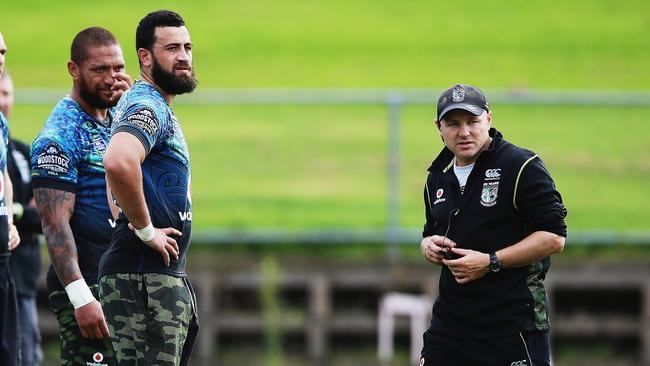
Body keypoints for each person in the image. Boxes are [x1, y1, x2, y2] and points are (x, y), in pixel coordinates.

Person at [419, 84, 568, 366]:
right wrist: (427, 244)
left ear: (488, 119)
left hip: (512, 328)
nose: (464, 132)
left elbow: (554, 237)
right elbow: (431, 231)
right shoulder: (437, 177)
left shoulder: (521, 165)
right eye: (453, 124)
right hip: (449, 330)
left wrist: (491, 261)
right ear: (439, 127)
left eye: (472, 122)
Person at [98, 9, 199, 366]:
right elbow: (118, 161)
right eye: (172, 48)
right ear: (145, 56)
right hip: (145, 279)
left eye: (187, 47)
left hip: (150, 277)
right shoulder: (147, 104)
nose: (184, 56)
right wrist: (145, 230)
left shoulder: (150, 104)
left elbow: (116, 179)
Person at [31, 27, 131, 366]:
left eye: (117, 68)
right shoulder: (59, 136)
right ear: (74, 70)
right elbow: (54, 224)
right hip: (87, 288)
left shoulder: (118, 118)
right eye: (100, 70)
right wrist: (80, 297)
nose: (111, 78)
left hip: (122, 284)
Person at [1, 70, 44, 366]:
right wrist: (20, 209)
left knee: (26, 355)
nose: (3, 101)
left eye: (7, 94)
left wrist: (12, 211)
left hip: (23, 282)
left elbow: (43, 215)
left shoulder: (21, 154)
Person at [0, 31, 22, 366]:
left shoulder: (0, 124)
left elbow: (2, 174)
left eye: (3, 50)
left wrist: (10, 220)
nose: (1, 55)